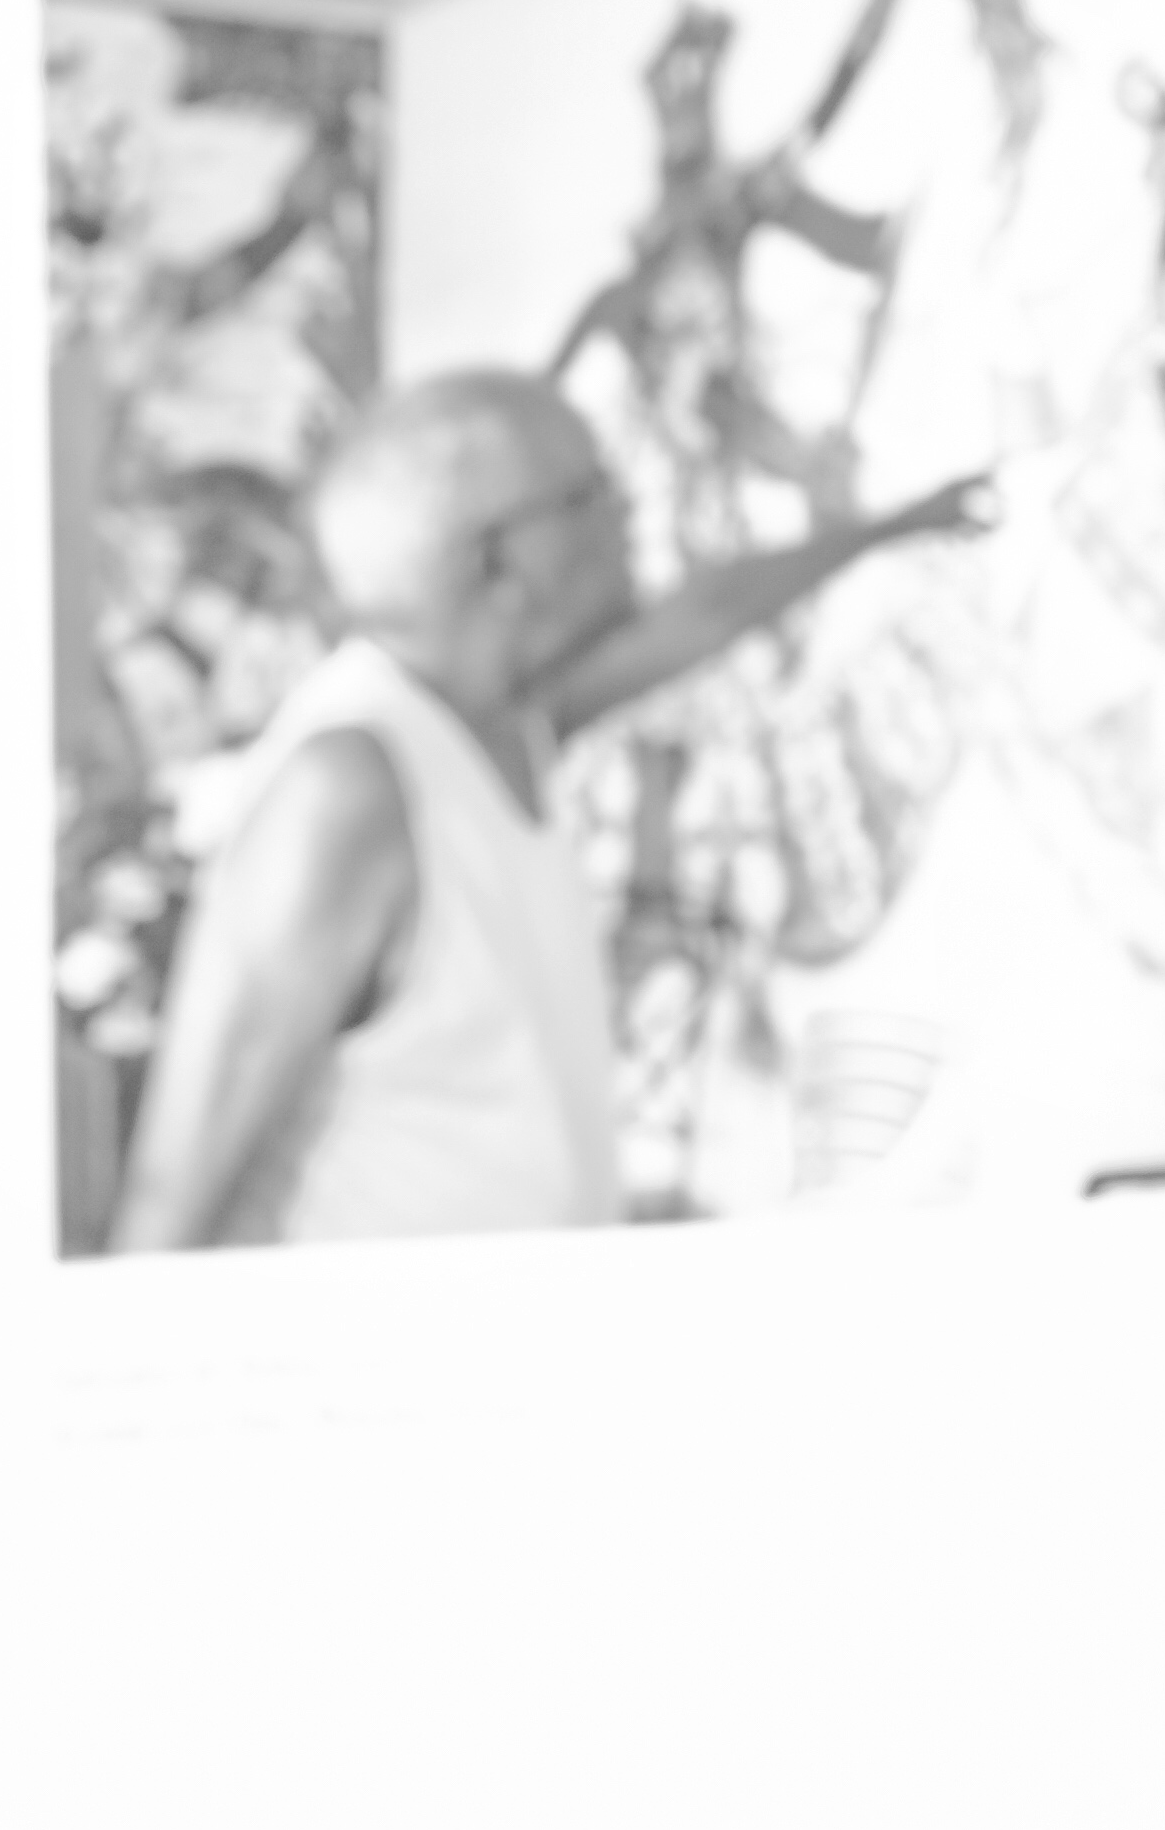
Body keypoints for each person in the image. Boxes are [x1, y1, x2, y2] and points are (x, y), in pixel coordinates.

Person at [108, 372, 987, 1252]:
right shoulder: (349, 785)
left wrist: (899, 524)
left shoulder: (507, 725)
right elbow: (167, 1195)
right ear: (495, 564)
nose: (627, 515)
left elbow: (706, 614)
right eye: (591, 495)